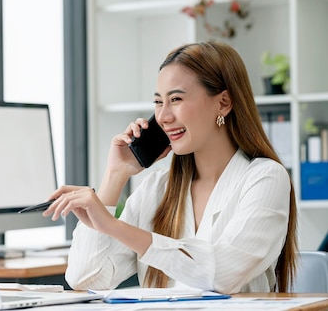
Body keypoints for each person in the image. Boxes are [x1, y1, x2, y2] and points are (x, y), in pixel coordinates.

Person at [42, 40, 297, 294]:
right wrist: (115, 176)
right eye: (158, 102)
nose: (163, 117)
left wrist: (113, 226)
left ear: (223, 103)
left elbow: (223, 273)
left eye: (175, 99)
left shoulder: (266, 178)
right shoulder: (157, 188)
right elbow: (86, 278)